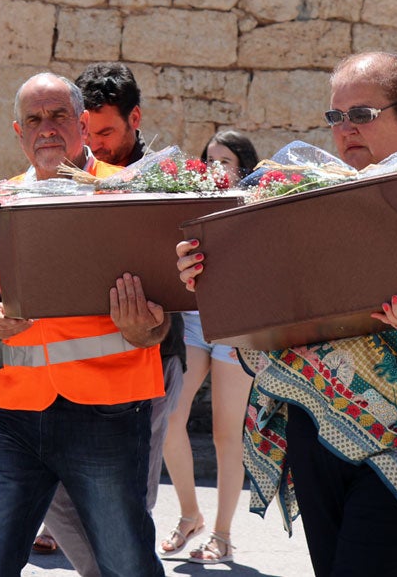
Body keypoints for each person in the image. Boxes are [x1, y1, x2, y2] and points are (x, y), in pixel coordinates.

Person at [175, 51, 397, 577]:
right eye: (336, 117)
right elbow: (263, 315)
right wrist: (210, 276)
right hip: (317, 433)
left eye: (362, 115)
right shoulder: (304, 211)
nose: (345, 130)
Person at [0, 72, 168, 577]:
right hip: (16, 410)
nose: (46, 128)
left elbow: (160, 323)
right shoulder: (1, 200)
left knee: (125, 563)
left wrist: (143, 327)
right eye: (34, 119)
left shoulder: (126, 194)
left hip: (109, 410)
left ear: (81, 123)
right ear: (18, 130)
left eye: (57, 116)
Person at [32, 61, 187, 574]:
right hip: (70, 370)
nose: (94, 144)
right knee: (50, 490)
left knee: (127, 510)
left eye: (106, 132)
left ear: (135, 118)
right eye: (87, 131)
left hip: (152, 362)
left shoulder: (165, 179)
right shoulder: (67, 179)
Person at [159, 130, 258, 563]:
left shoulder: (252, 206)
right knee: (168, 418)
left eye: (225, 161)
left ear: (243, 168)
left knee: (225, 436)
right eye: (210, 160)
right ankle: (189, 516)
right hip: (197, 325)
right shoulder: (195, 201)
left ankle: (222, 535)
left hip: (235, 329)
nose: (216, 168)